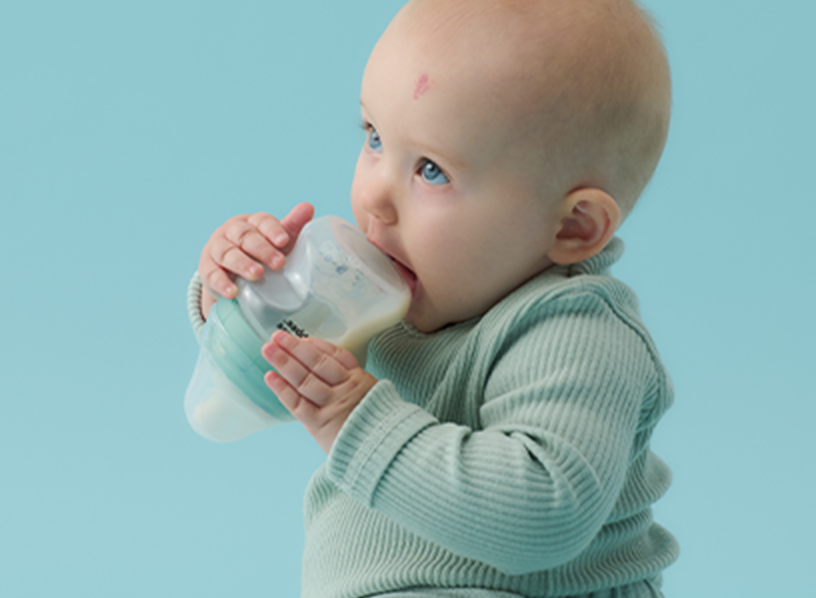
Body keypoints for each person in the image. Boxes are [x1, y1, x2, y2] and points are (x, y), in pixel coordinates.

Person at [187, 0, 679, 595]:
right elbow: (262, 380)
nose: (374, 197)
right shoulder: (397, 297)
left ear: (573, 226)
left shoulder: (574, 334)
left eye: (432, 171)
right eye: (373, 137)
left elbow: (544, 513)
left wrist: (355, 420)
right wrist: (238, 289)